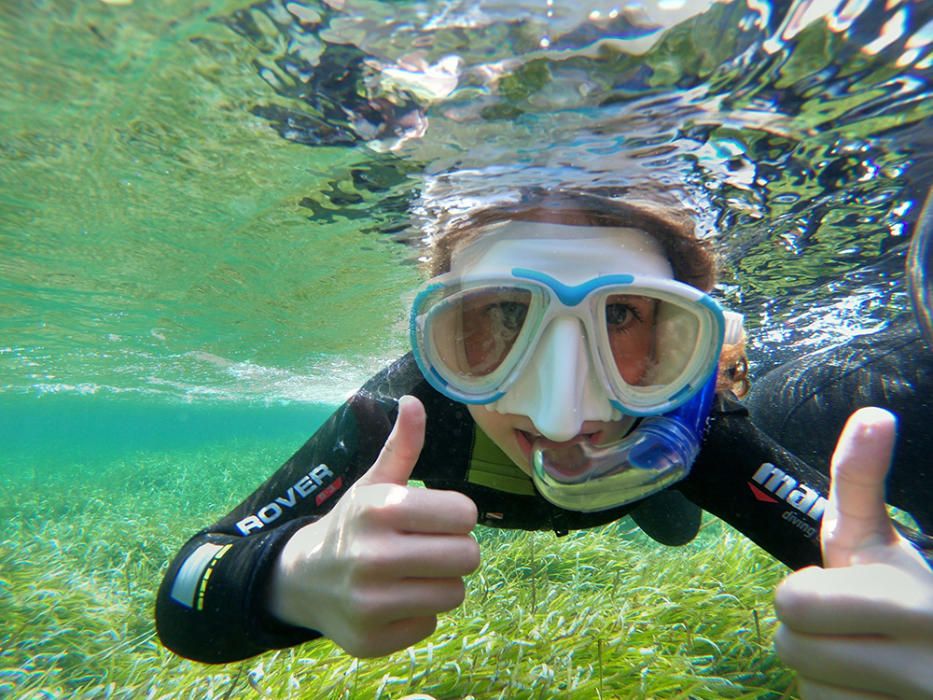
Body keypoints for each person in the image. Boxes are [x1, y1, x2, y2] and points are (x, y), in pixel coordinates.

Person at [155, 189, 932, 698]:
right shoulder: (406, 411)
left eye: (622, 317)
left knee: (670, 521)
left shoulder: (698, 430)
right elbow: (189, 592)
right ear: (443, 338)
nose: (561, 419)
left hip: (657, 480)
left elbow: (890, 574)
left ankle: (655, 500)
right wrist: (288, 576)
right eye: (501, 316)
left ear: (679, 339)